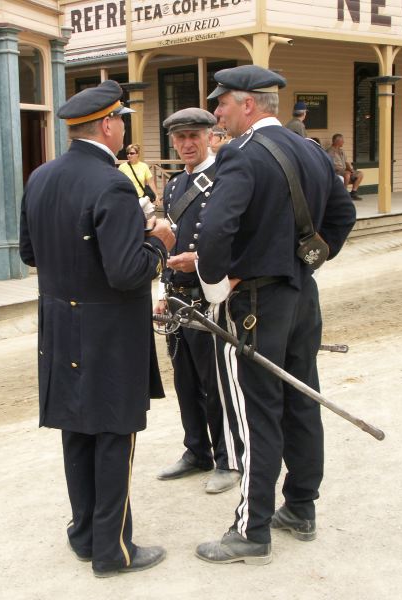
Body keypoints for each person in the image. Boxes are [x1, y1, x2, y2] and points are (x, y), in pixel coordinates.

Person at [193, 65, 356, 565]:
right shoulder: (309, 149)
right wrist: (304, 261)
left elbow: (216, 231)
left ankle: (252, 530)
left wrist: (217, 285)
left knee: (256, 411)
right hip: (301, 294)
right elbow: (343, 215)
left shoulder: (241, 154)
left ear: (248, 104)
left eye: (222, 103)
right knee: (301, 398)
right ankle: (301, 508)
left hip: (256, 302)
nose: (216, 112)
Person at [19, 80, 174, 578]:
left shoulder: (41, 177)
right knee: (113, 434)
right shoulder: (113, 183)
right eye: (121, 120)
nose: (124, 127)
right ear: (107, 125)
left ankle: (84, 534)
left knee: (77, 431)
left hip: (61, 325)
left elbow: (29, 253)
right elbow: (127, 272)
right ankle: (112, 550)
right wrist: (160, 242)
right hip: (108, 329)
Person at [154, 107, 241, 495]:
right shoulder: (174, 186)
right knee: (185, 381)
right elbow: (169, 244)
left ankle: (228, 458)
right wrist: (162, 291)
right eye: (180, 137)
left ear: (210, 136)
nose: (187, 144)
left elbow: (236, 239)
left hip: (210, 297)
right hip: (178, 298)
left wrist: (200, 260)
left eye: (194, 136)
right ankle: (197, 451)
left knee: (217, 383)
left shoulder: (224, 179)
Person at [326, 133, 364, 200]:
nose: (343, 142)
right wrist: (344, 170)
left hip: (344, 170)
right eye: (342, 141)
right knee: (347, 174)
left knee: (360, 174)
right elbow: (329, 165)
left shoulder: (342, 151)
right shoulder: (329, 152)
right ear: (337, 141)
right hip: (336, 171)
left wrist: (351, 170)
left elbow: (346, 163)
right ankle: (344, 194)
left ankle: (353, 192)